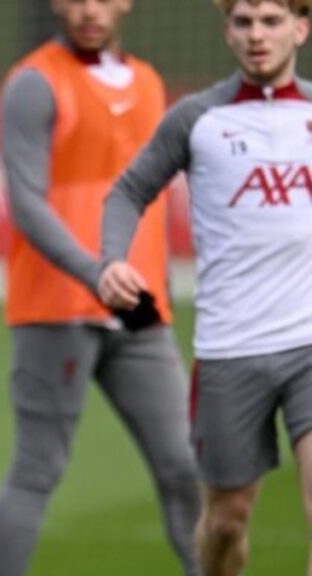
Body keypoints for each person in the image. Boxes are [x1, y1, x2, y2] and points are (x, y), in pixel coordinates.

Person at [0, 1, 201, 575]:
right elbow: (27, 204)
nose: (89, 9)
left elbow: (149, 198)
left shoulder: (151, 83)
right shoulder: (35, 83)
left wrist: (155, 283)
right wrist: (94, 271)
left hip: (137, 309)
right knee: (39, 469)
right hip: (59, 304)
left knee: (184, 465)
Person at [99, 1, 312, 574]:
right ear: (226, 31)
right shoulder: (197, 118)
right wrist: (112, 260)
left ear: (301, 27)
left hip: (309, 344)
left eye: (271, 21)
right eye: (243, 23)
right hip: (230, 351)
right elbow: (127, 192)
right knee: (225, 522)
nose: (257, 35)